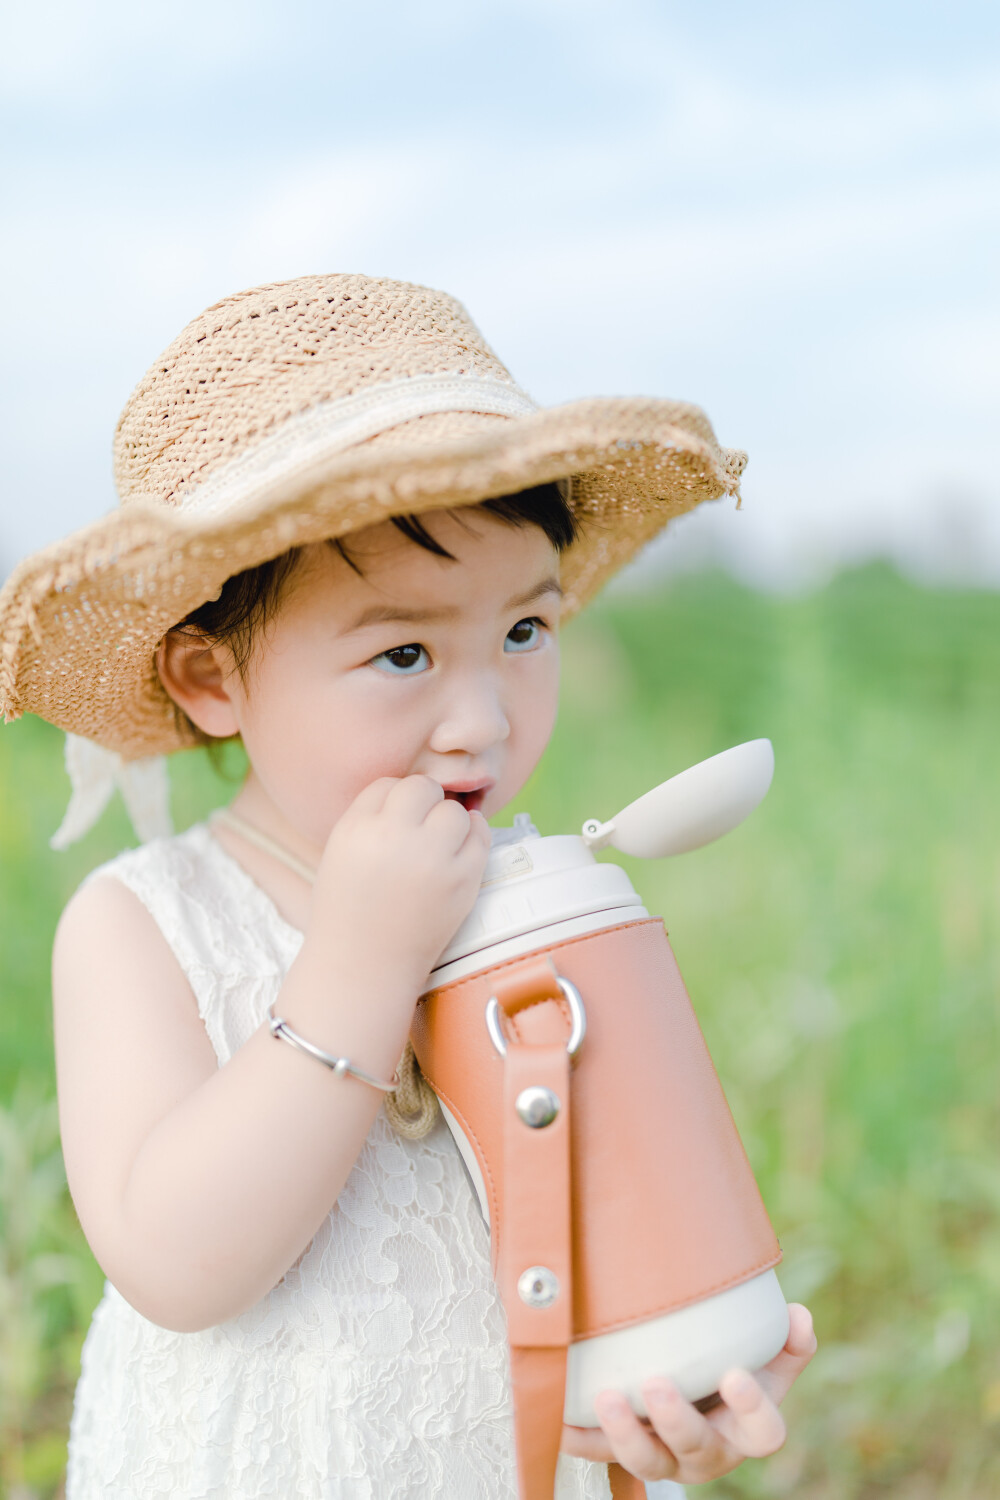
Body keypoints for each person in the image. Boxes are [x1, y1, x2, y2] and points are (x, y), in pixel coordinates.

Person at [0, 273, 816, 1499]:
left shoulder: (541, 902)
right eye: (401, 652)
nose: (481, 720)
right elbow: (175, 1263)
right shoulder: (142, 921)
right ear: (210, 679)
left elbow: (608, 1227)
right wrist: (359, 965)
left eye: (525, 634)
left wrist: (670, 1375)